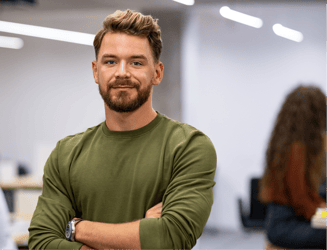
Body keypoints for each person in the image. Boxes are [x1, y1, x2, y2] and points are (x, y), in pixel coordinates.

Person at [28, 9, 217, 249]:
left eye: (136, 62)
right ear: (96, 71)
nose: (122, 72)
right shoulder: (66, 154)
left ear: (157, 73)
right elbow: (41, 242)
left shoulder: (188, 146)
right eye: (110, 61)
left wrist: (76, 228)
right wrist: (143, 234)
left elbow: (170, 237)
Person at [259, 85, 326, 249]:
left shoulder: (284, 145)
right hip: (286, 226)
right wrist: (324, 213)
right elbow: (301, 201)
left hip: (285, 221)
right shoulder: (296, 149)